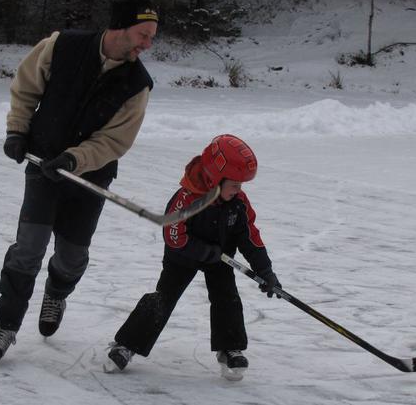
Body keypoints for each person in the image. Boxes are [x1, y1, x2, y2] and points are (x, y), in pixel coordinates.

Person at [0, 0, 159, 362]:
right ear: (120, 28)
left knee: (71, 256)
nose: (147, 44)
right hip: (44, 164)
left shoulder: (138, 83)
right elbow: (26, 86)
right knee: (28, 248)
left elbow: (115, 140)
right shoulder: (61, 45)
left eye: (151, 37)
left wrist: (75, 158)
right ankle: (6, 324)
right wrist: (17, 130)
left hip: (89, 176)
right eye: (143, 34)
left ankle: (57, 293)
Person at [103, 134, 283, 381]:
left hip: (220, 260)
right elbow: (174, 236)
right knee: (163, 298)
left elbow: (250, 237)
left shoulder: (238, 202)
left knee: (226, 297)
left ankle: (229, 348)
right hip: (183, 257)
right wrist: (204, 251)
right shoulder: (187, 198)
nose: (239, 190)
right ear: (216, 179)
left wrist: (266, 271)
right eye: (235, 184)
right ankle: (126, 345)